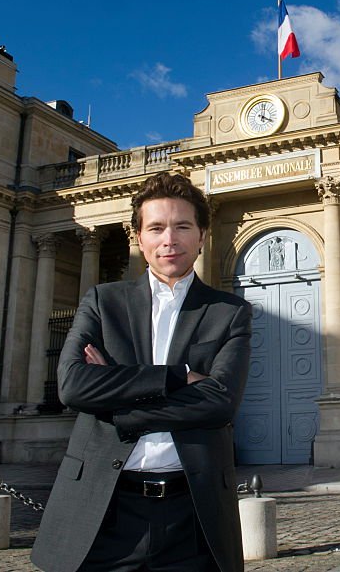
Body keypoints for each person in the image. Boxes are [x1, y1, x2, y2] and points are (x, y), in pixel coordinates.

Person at [31, 172, 251, 572]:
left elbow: (220, 403)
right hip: (103, 510)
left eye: (183, 226)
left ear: (202, 235)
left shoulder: (230, 312)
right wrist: (177, 376)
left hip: (193, 517)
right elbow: (73, 386)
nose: (170, 239)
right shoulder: (102, 301)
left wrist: (115, 406)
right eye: (156, 227)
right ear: (138, 237)